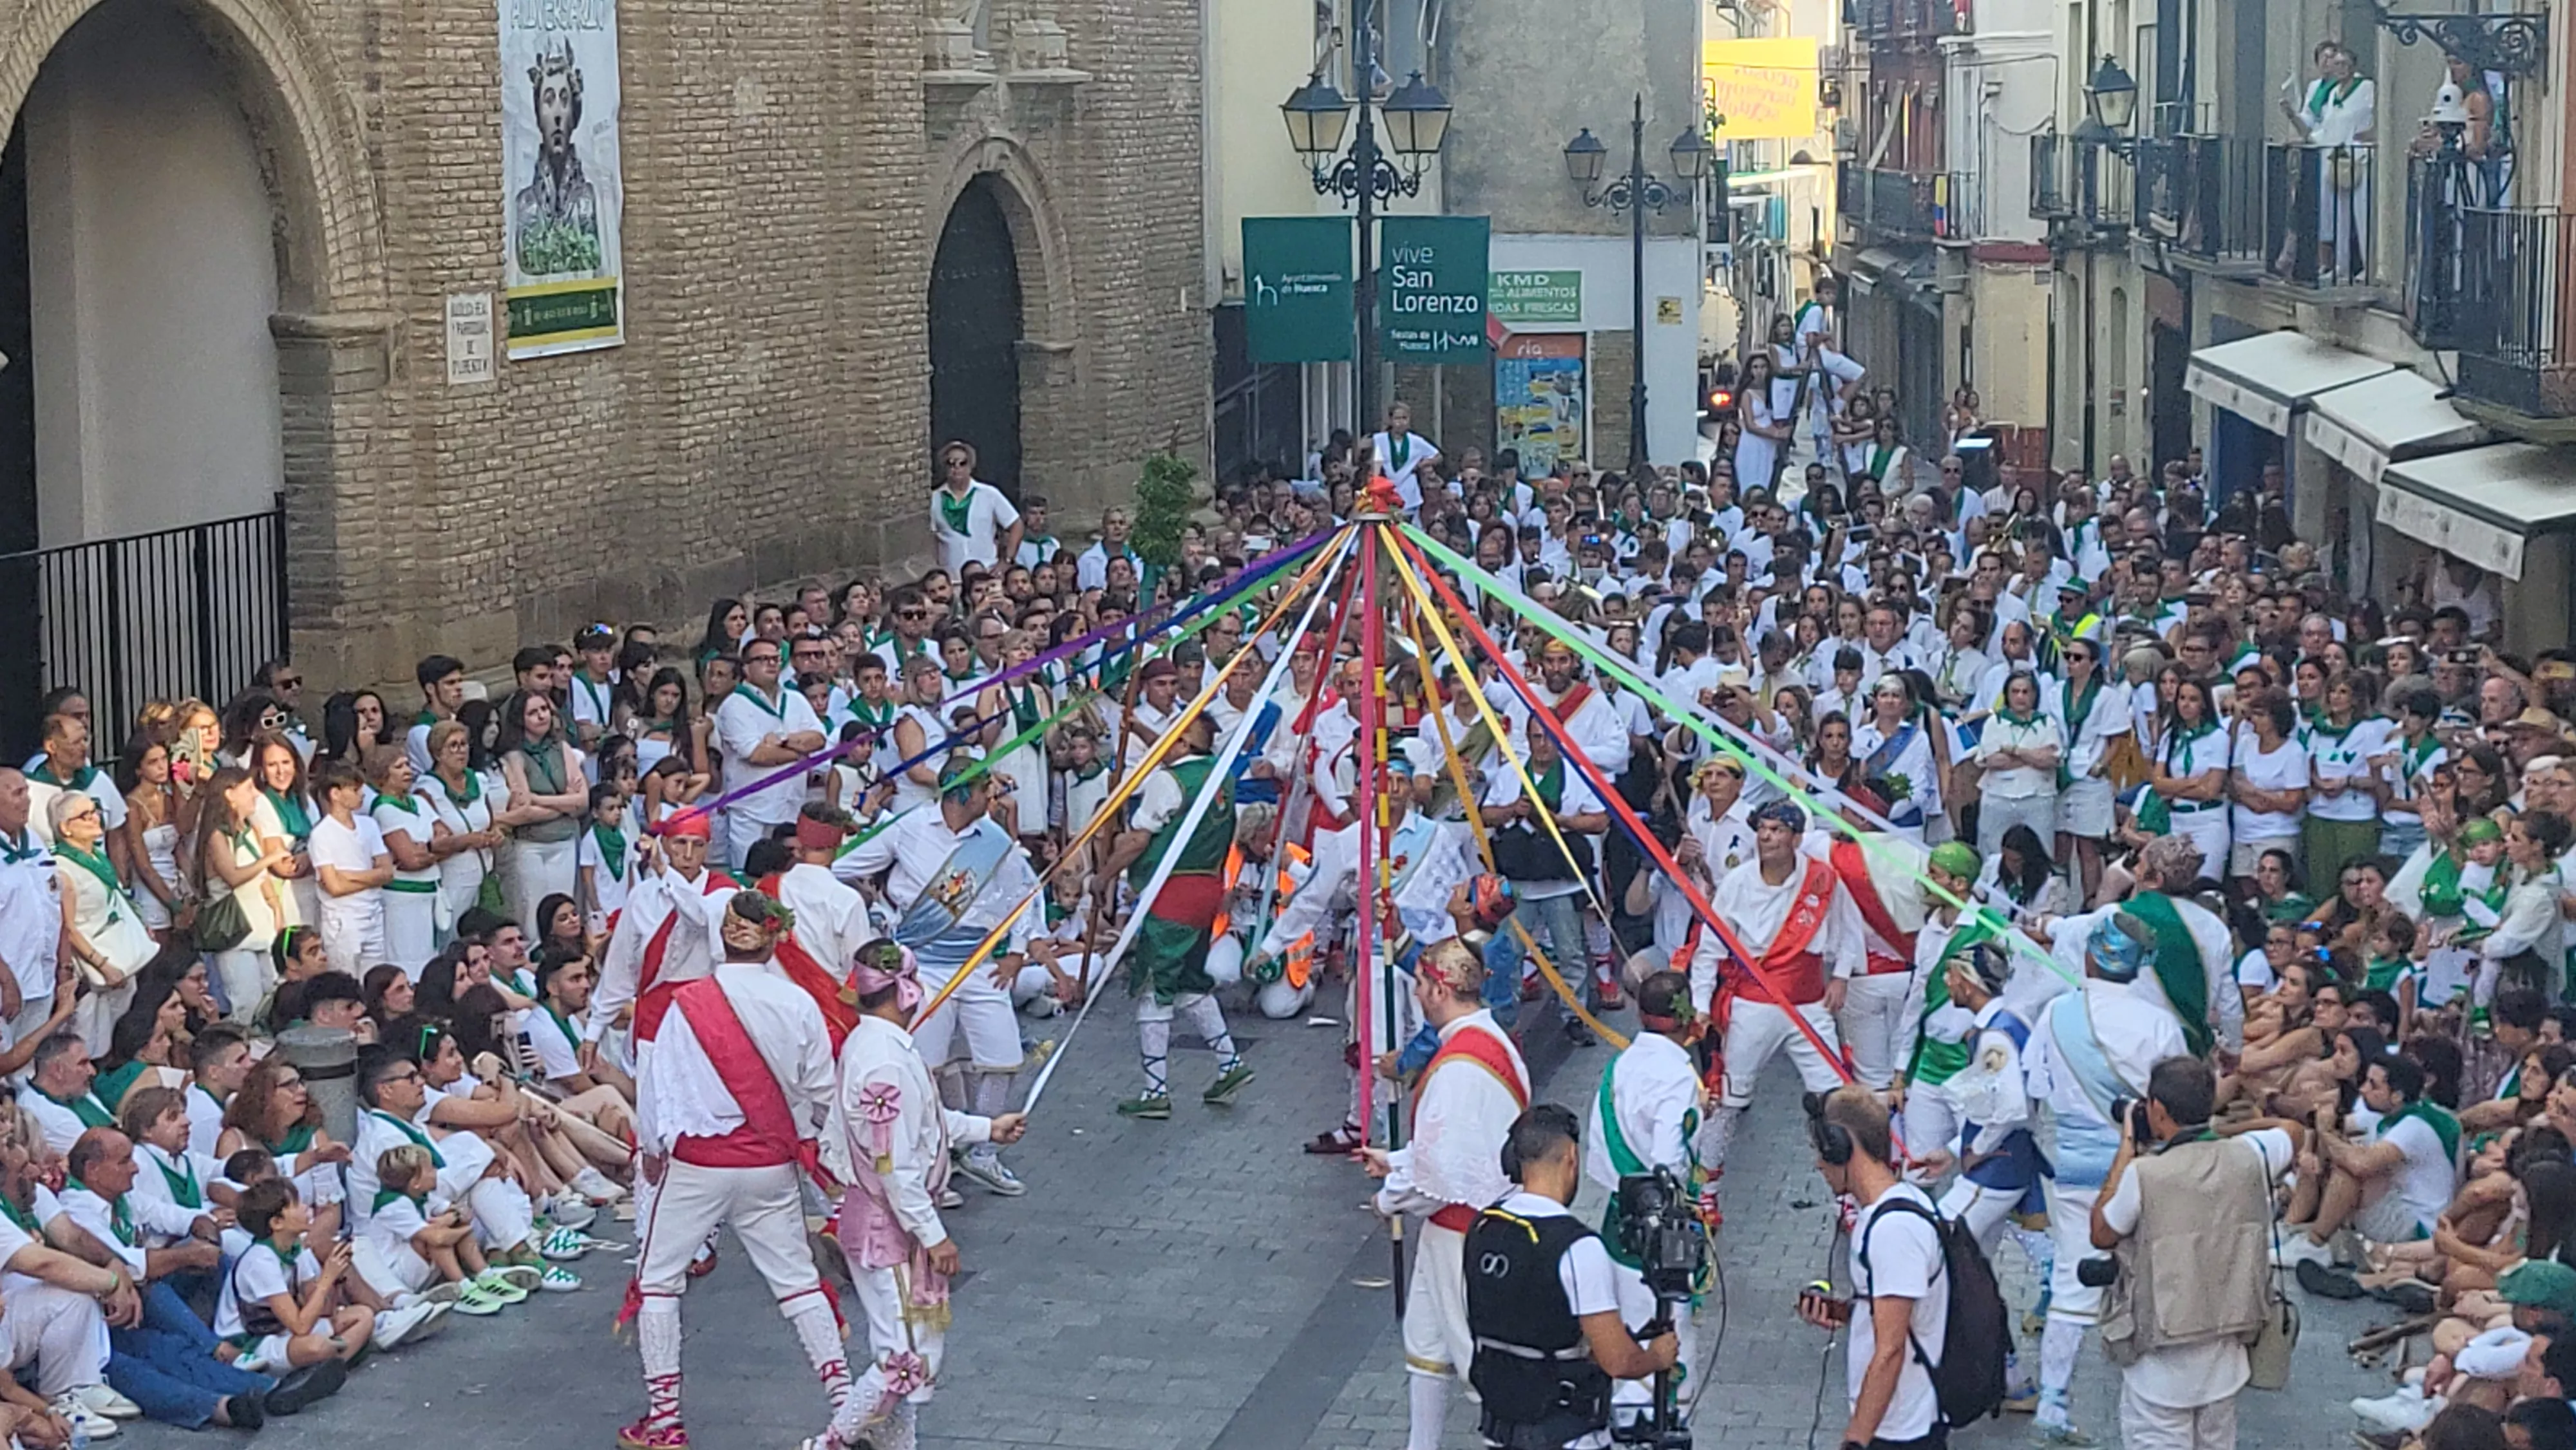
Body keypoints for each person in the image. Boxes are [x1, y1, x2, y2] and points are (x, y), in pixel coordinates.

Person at [622, 892, 849, 1450]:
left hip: (697, 1166)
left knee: (659, 1283)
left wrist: (651, 1150)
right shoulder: (797, 1005)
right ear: (776, 938)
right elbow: (823, 1092)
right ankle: (847, 1401)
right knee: (797, 1283)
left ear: (722, 937)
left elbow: (657, 1087)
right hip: (771, 1163)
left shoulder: (688, 1002)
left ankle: (666, 1419)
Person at [818, 941, 1031, 1450]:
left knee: (918, 1348)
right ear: (905, 992)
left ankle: (896, 1444)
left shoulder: (878, 1048)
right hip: (887, 1226)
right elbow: (895, 1166)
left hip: (892, 1220)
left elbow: (921, 1126)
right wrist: (934, 1236)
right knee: (903, 1355)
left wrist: (985, 1129)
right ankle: (831, 1444)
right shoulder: (883, 1061)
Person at [2021, 912, 2190, 1444]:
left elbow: (2033, 1082)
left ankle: (2053, 1399)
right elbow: (2182, 1101)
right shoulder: (2161, 1024)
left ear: (2092, 955)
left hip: (2074, 1166)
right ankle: (2153, 1398)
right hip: (2147, 1167)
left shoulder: (2054, 1014)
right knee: (2152, 1276)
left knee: (2075, 1280)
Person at [837, 757, 1039, 1198]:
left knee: (1003, 1055)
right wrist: (873, 912)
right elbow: (844, 866)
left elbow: (1026, 893)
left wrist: (1019, 953)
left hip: (981, 964)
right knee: (923, 1065)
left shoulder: (993, 838)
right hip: (924, 965)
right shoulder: (908, 829)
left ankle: (983, 1153)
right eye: (987, 789)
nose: (994, 797)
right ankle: (933, 1160)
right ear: (963, 792)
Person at [1361, 938, 1530, 1450]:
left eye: (1419, 987)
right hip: (1456, 1231)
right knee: (1428, 1347)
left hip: (1466, 1237)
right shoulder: (1486, 1040)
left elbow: (1440, 1170)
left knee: (1478, 1361)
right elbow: (1462, 1144)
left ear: (1438, 989)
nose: (1416, 996)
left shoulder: (1459, 1064)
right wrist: (1395, 1161)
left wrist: (1391, 1196)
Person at [2090, 1056, 2295, 1450]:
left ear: (2158, 1109)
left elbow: (2101, 1232)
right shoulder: (2252, 1156)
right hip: (2225, 1360)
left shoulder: (2144, 1175)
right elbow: (2292, 1133)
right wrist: (2221, 1131)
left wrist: (2128, 1145)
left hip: (2159, 1366)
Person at [1465, 1103, 1680, 1450]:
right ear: (1570, 1156)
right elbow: (1618, 1360)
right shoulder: (1577, 1246)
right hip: (1565, 1435)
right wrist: (1657, 1356)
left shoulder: (1484, 1227)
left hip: (1499, 1431)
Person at [1095, 711, 1255, 1119]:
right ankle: (1229, 1064)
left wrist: (1104, 876)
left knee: (1154, 986)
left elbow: (1137, 839)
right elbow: (1183, 756)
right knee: (1190, 983)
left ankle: (1155, 1091)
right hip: (1207, 891)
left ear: (1183, 743)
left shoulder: (1168, 782)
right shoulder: (1221, 776)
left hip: (1172, 895)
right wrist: (1134, 725)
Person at [1698, 800, 1865, 1171]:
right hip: (1754, 1002)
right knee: (1730, 1098)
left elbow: (1849, 928)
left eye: (1777, 830)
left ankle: (1845, 1190)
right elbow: (1709, 947)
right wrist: (1699, 1003)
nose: (1767, 837)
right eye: (1763, 829)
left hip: (1809, 1002)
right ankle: (1705, 1187)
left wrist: (1840, 976)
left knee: (1833, 1098)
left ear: (1797, 838)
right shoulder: (1737, 882)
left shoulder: (1822, 879)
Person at [1582, 969, 1709, 1435]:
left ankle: (1628, 1415)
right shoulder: (1676, 1077)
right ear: (1685, 1018)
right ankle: (1666, 1420)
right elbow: (1669, 1159)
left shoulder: (1621, 1064)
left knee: (1624, 1319)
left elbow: (1599, 1145)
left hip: (1619, 1218)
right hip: (1663, 1224)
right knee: (1670, 1328)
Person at [1798, 1084, 1951, 1450]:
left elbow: (1890, 1350)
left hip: (1900, 1428)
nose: (1819, 1163)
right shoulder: (1891, 1209)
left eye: (1822, 1150)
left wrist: (1855, 1440)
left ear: (1842, 1146)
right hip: (1898, 1422)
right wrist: (1853, 1312)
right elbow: (1903, 1312)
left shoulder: (1894, 1230)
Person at [712, 637, 828, 870]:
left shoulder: (795, 699)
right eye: (763, 659)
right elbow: (756, 754)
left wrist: (784, 742)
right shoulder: (734, 705)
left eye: (776, 659)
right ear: (746, 667)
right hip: (751, 812)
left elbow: (819, 739)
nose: (772, 664)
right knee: (751, 878)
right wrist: (800, 754)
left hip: (790, 810)